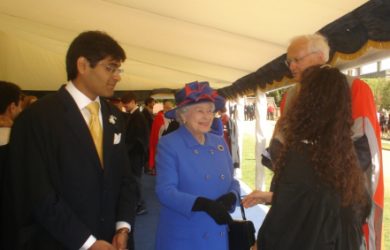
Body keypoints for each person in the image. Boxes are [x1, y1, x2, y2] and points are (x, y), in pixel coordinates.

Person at [1, 31, 137, 250]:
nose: (117, 76)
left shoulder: (114, 116)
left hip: (113, 240)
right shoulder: (38, 118)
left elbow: (125, 178)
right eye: (110, 68)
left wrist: (123, 227)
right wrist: (88, 243)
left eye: (118, 69)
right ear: (82, 65)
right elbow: (37, 193)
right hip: (61, 241)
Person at [244, 65, 371, 249]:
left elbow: (283, 224)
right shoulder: (345, 156)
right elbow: (319, 201)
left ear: (306, 104)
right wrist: (271, 196)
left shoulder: (299, 154)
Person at [275, 33, 383, 250]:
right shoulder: (290, 97)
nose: (292, 67)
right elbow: (277, 148)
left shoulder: (355, 88)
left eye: (297, 59)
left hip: (344, 200)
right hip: (302, 199)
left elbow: (366, 151)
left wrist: (318, 180)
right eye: (289, 62)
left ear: (320, 57)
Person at [155, 81, 240, 250]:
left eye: (210, 111)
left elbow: (233, 180)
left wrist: (233, 196)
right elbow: (165, 191)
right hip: (186, 236)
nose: (207, 116)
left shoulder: (218, 141)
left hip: (218, 232)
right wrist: (202, 204)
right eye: (200, 111)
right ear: (183, 115)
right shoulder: (169, 144)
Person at [121, 91, 149, 216]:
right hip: (134, 154)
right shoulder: (134, 115)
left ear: (133, 102)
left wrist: (125, 150)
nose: (125, 107)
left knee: (136, 180)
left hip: (135, 155)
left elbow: (137, 139)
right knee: (135, 180)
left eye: (126, 105)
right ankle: (138, 203)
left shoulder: (137, 116)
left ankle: (141, 205)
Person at [148, 99, 173, 175]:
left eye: (170, 107)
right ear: (164, 107)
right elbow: (156, 134)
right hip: (161, 144)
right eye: (167, 107)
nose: (169, 109)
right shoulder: (159, 117)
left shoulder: (173, 117)